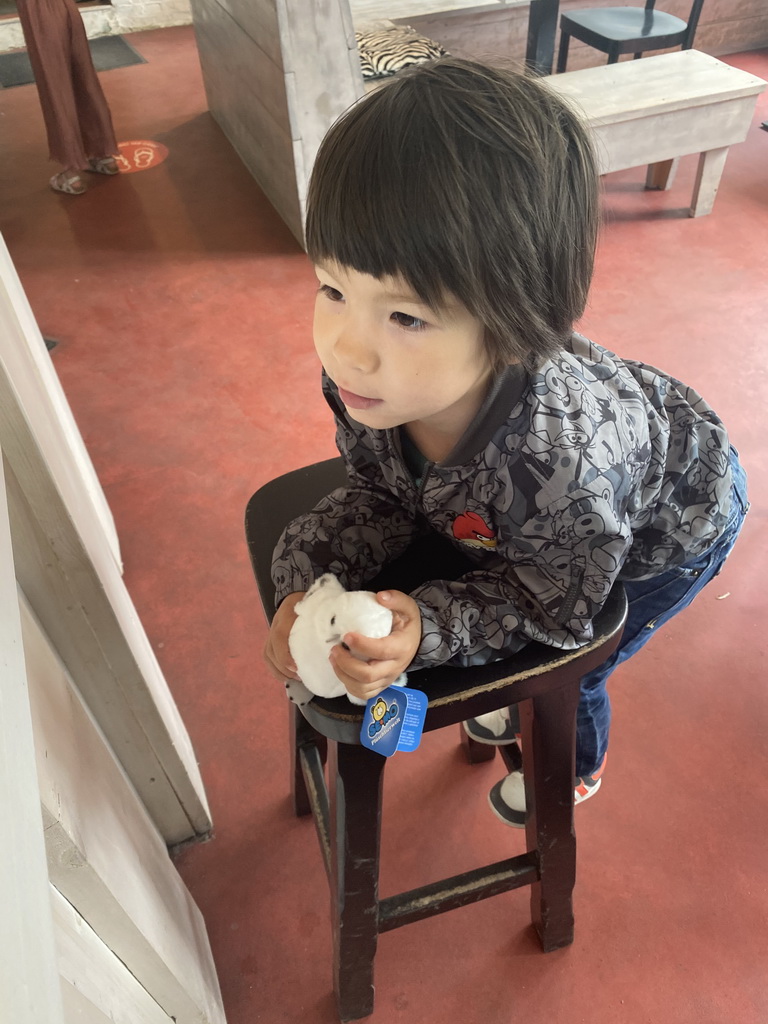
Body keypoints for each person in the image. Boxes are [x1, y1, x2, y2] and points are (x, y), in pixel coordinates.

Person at [263, 58, 748, 827]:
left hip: (672, 525)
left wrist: (427, 629)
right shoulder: (374, 385)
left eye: (407, 317)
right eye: (333, 289)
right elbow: (383, 496)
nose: (346, 349)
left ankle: (576, 769)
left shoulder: (563, 473)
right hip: (531, 517)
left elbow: (557, 615)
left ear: (516, 324)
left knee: (575, 672)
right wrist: (308, 580)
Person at [16, 0, 120, 194]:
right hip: (67, 7)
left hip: (37, 8)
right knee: (83, 76)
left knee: (55, 84)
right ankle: (103, 155)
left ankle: (71, 173)